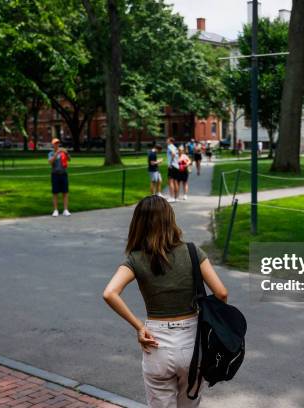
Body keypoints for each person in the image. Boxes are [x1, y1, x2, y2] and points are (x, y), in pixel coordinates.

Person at [103, 196, 228, 408]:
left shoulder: (135, 258)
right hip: (193, 342)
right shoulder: (192, 251)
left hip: (156, 342)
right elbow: (221, 293)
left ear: (138, 224)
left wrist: (139, 327)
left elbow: (110, 293)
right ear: (170, 219)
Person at [48, 138, 71, 217]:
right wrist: (56, 154)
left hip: (63, 173)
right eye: (55, 143)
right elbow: (50, 162)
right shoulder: (51, 153)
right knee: (55, 193)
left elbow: (69, 159)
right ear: (53, 145)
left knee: (65, 192)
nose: (57, 145)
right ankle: (55, 210)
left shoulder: (62, 153)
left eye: (58, 143)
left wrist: (66, 153)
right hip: (55, 174)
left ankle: (65, 210)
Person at [166, 137, 180, 202]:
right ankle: (176, 197)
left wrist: (170, 163)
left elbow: (173, 154)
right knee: (176, 181)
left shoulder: (170, 146)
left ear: (170, 141)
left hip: (172, 166)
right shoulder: (175, 147)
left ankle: (172, 197)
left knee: (170, 181)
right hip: (176, 166)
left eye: (167, 140)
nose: (166, 141)